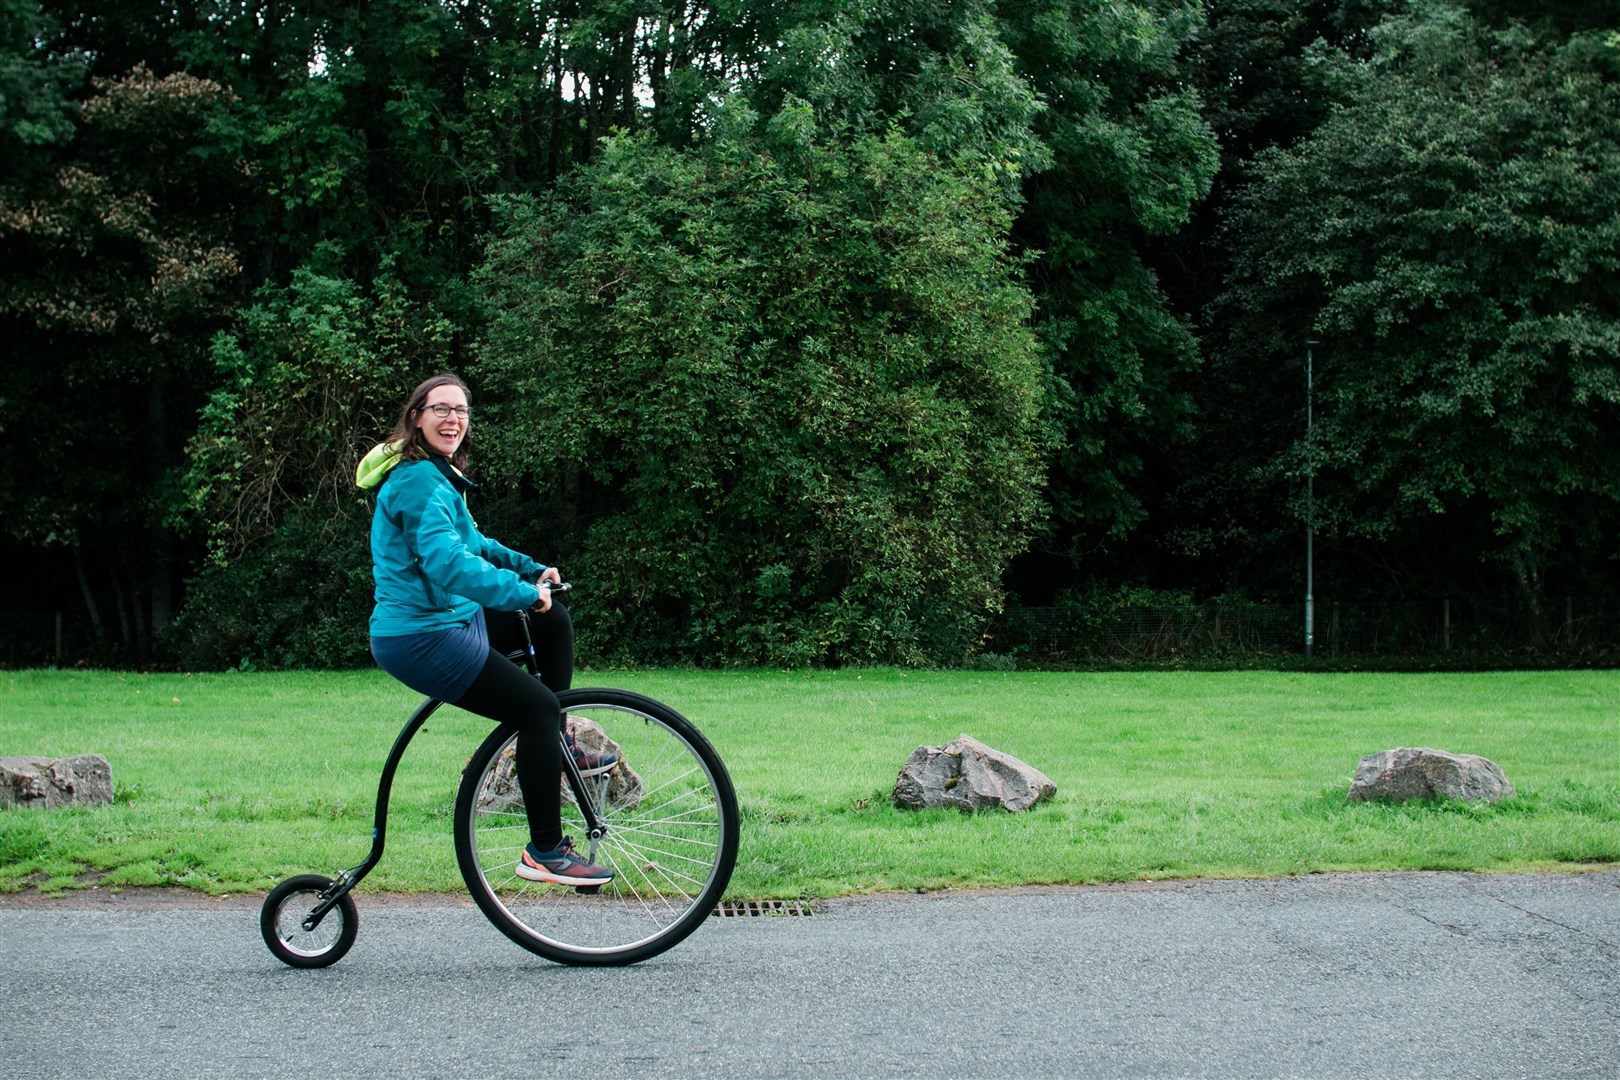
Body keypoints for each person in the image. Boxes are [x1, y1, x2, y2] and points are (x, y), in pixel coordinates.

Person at [355, 372, 615, 886]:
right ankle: (544, 850)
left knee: (552, 623)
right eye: (441, 409)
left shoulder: (437, 474)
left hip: (452, 619)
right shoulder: (416, 482)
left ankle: (553, 743)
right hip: (421, 638)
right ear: (417, 418)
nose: (453, 419)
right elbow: (448, 563)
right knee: (536, 705)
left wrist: (529, 571)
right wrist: (519, 594)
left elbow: (474, 542)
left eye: (461, 411)